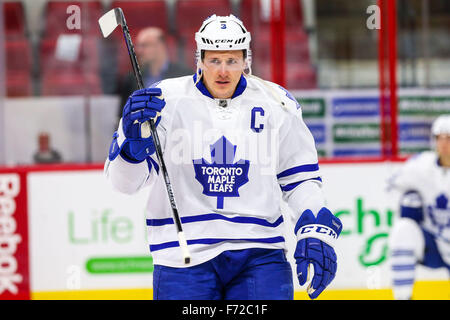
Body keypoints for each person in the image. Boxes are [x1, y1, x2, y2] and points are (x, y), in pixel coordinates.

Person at [105, 14, 342, 300]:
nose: (223, 71)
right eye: (214, 60)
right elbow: (124, 185)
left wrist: (314, 230)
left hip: (260, 253)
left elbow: (299, 179)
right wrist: (131, 147)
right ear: (199, 59)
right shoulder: (162, 101)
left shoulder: (277, 103)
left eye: (232, 61)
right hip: (182, 257)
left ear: (246, 59)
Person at [388, 114, 450, 300]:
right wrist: (410, 198)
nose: (444, 144)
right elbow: (390, 184)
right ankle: (402, 297)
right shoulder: (421, 166)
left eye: (449, 138)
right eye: (439, 138)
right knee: (403, 230)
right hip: (433, 242)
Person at [116, 27, 192, 120]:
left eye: (144, 45)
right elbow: (123, 117)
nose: (139, 51)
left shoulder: (184, 75)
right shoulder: (132, 79)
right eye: (138, 46)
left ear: (160, 46)